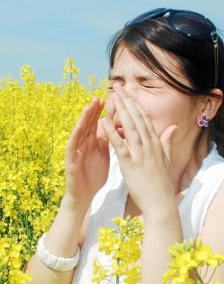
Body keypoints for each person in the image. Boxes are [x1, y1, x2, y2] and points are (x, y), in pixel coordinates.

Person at [26, 7, 224, 283]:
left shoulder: (216, 196)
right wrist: (75, 201)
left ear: (206, 105)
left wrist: (158, 207)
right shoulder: (110, 179)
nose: (122, 101)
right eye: (115, 84)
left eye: (148, 84)